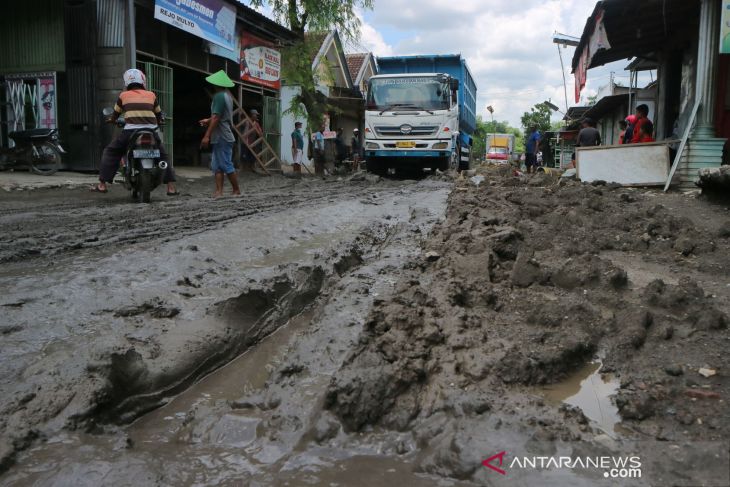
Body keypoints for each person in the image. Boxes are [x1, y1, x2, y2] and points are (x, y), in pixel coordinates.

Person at [92, 68, 177, 195]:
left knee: (111, 151)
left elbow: (116, 114)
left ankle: (102, 184)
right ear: (143, 81)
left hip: (130, 132)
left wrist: (112, 120)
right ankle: (171, 187)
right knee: (163, 155)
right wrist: (159, 121)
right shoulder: (151, 95)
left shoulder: (123, 95)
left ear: (126, 82)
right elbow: (159, 115)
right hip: (151, 131)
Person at [199, 70, 240, 198]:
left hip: (222, 136)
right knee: (217, 165)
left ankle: (236, 190)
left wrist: (206, 135)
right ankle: (219, 191)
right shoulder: (228, 96)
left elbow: (217, 118)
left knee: (225, 164)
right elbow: (218, 116)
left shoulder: (218, 96)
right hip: (222, 135)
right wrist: (208, 120)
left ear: (216, 84)